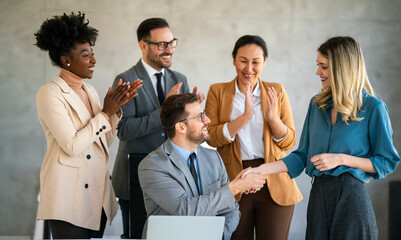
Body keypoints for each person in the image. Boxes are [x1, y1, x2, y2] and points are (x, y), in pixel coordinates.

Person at [242, 36, 400, 239]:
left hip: (351, 196)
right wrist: (261, 169)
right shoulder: (317, 105)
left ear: (341, 68)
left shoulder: (373, 108)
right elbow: (302, 156)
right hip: (319, 195)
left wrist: (342, 159)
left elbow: (386, 161)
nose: (318, 72)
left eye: (323, 67)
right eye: (318, 66)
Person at [34, 12, 142, 239]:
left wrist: (114, 112)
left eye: (92, 54)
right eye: (86, 55)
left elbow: (102, 142)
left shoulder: (89, 90)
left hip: (95, 194)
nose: (93, 60)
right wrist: (105, 113)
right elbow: (72, 146)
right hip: (67, 197)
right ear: (66, 60)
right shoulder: (50, 94)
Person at [111, 17, 204, 238]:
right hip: (135, 176)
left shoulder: (179, 79)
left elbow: (182, 129)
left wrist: (196, 115)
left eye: (172, 43)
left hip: (173, 177)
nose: (169, 49)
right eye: (162, 44)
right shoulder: (125, 80)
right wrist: (164, 109)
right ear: (143, 45)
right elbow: (124, 130)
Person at [205, 35, 302, 240]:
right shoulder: (218, 91)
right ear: (233, 59)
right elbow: (211, 138)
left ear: (264, 62)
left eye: (256, 62)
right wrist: (245, 117)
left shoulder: (276, 90)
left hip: (272, 178)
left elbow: (289, 141)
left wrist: (272, 118)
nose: (249, 68)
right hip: (234, 179)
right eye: (243, 60)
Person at [138, 93, 266, 240]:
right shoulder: (152, 165)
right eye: (200, 116)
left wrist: (220, 234)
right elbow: (186, 209)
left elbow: (231, 208)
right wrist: (234, 188)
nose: (207, 120)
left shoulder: (213, 157)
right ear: (181, 127)